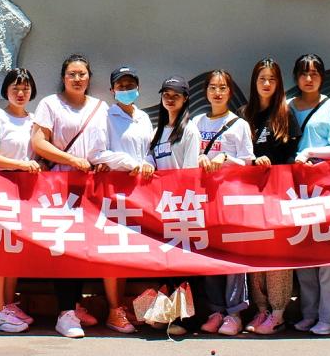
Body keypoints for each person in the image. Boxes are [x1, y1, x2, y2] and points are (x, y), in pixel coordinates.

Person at [31, 54, 109, 339]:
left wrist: (103, 163)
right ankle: (64, 312)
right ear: (63, 78)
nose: (77, 79)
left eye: (82, 74)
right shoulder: (50, 104)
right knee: (64, 246)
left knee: (85, 247)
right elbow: (38, 142)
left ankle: (75, 305)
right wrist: (71, 160)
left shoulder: (101, 107)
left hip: (91, 187)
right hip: (59, 186)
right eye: (71, 74)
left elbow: (106, 144)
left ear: (89, 77)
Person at [288, 54, 330, 336]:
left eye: (314, 73)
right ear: (296, 77)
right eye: (303, 73)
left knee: (328, 253)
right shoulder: (288, 106)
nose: (308, 78)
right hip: (296, 189)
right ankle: (310, 313)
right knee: (303, 253)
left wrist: (310, 152)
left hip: (326, 188)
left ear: (322, 77)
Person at [90, 66, 156, 335]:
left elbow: (150, 150)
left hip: (139, 192)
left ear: (138, 88)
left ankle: (121, 306)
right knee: (112, 250)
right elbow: (97, 153)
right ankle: (113, 309)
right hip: (113, 190)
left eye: (130, 85)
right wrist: (128, 162)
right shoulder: (105, 116)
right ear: (112, 90)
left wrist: (147, 164)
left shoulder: (143, 117)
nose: (126, 90)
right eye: (121, 86)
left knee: (129, 250)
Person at [191, 70, 254, 336]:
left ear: (230, 92)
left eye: (223, 88)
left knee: (232, 255)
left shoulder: (240, 125)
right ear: (205, 92)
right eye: (213, 88)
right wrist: (198, 158)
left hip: (231, 199)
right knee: (209, 254)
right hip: (203, 199)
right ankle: (216, 310)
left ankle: (235, 313)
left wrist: (226, 158)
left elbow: (248, 162)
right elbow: (186, 155)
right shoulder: (195, 122)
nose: (217, 93)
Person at [240, 58, 300, 335]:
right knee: (255, 252)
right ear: (254, 82)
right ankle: (261, 309)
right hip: (250, 196)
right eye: (261, 78)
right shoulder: (244, 114)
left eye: (272, 79)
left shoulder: (286, 114)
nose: (266, 84)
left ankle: (278, 312)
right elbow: (239, 154)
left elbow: (292, 156)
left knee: (277, 253)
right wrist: (253, 163)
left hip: (279, 195)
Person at [0, 67, 42, 333]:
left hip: (25, 190)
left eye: (25, 88)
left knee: (15, 250)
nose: (20, 93)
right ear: (6, 90)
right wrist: (22, 164)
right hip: (0, 187)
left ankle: (8, 304)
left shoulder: (34, 120)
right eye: (15, 88)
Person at [144, 75, 202, 336]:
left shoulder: (189, 130)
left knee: (184, 265)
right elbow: (150, 159)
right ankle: (167, 315)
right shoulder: (158, 130)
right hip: (161, 207)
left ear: (186, 98)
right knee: (166, 263)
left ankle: (187, 319)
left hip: (182, 205)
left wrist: (182, 203)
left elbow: (190, 171)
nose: (169, 98)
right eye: (166, 94)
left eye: (175, 95)